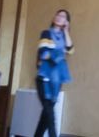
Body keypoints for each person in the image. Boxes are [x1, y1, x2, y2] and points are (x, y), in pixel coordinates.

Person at [34, 9, 74, 137]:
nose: (59, 17)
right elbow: (43, 52)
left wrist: (66, 31)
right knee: (50, 114)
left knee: (46, 116)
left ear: (66, 22)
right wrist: (58, 56)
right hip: (44, 78)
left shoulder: (64, 37)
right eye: (58, 15)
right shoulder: (46, 33)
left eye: (63, 16)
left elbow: (70, 49)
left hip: (57, 79)